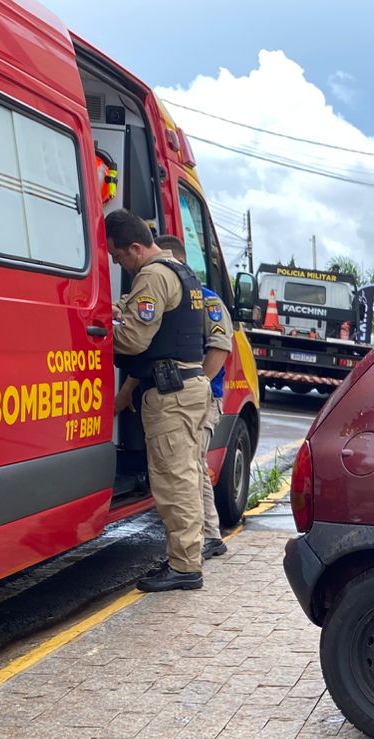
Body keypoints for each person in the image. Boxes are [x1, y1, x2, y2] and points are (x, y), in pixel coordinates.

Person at [106, 209, 211, 592]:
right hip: (189, 387)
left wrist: (98, 333)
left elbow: (134, 340)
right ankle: (186, 559)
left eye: (119, 256)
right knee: (186, 475)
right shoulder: (182, 272)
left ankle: (184, 567)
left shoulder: (152, 275)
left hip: (171, 394)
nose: (120, 264)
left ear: (136, 247)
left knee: (174, 480)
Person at [155, 235, 233, 561]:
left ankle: (210, 535)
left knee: (192, 466)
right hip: (184, 395)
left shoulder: (207, 301)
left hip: (203, 397)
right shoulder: (172, 297)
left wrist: (197, 386)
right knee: (192, 465)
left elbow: (219, 347)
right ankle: (208, 534)